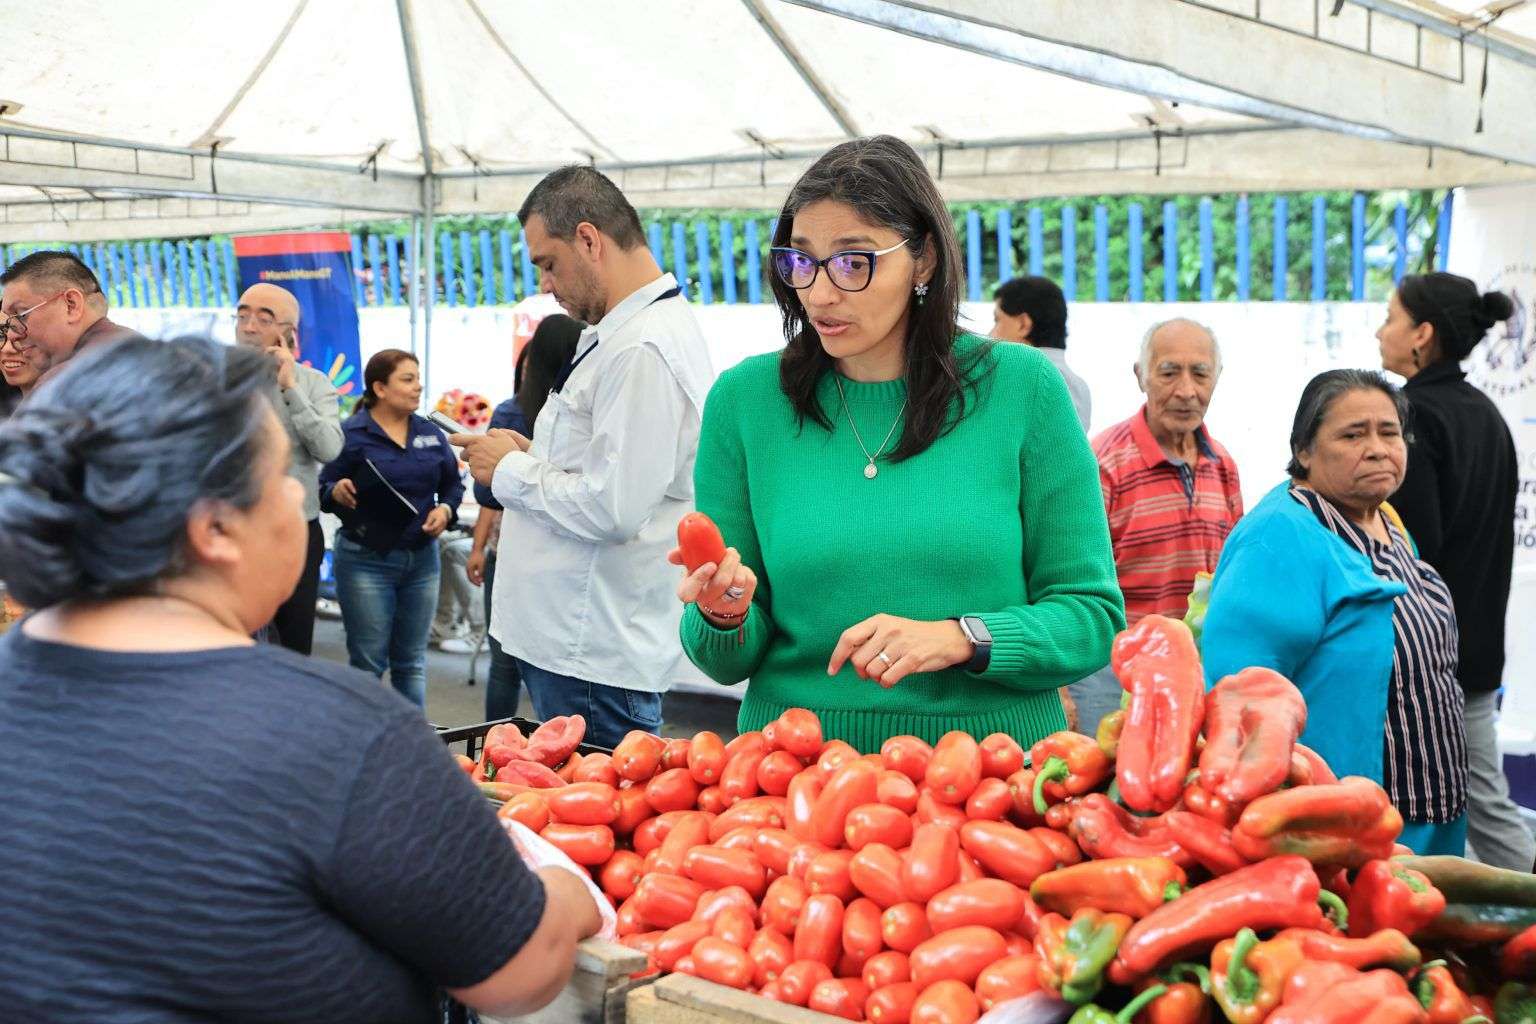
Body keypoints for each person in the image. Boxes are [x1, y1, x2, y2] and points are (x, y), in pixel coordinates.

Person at [0, 337, 601, 1022]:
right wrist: (567, 885)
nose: (295, 493)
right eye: (280, 472)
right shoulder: (338, 733)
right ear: (216, 528)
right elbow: (518, 974)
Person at [669, 135, 1124, 752]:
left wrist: (961, 637)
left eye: (854, 262)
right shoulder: (746, 403)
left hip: (989, 778)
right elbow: (725, 659)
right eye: (800, 261)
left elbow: (1090, 619)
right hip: (791, 776)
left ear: (925, 260)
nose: (820, 293)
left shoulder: (1024, 391)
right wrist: (724, 613)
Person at [453, 168, 715, 749]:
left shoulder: (642, 347)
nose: (546, 285)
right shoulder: (623, 334)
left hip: (591, 651)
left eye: (548, 262)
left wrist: (513, 472)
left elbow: (611, 508)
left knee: (594, 826)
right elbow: (605, 469)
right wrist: (527, 453)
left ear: (591, 241)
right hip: (575, 644)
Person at [1202, 369, 1467, 855]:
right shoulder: (1279, 536)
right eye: (1353, 434)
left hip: (1428, 805)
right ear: (1303, 450)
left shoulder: (1385, 520)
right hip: (1339, 827)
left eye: (1389, 432)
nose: (1377, 448)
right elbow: (1235, 697)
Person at [1377, 274, 1531, 870]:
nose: (1379, 329)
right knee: (1477, 801)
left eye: (1391, 316)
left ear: (1422, 333)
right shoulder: (1483, 411)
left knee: (1483, 806)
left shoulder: (1413, 415)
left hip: (1434, 655)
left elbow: (1413, 546)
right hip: (1476, 641)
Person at [1071, 319, 1242, 735]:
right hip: (1110, 676)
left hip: (1192, 675)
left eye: (1200, 373)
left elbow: (1230, 575)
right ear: (1141, 376)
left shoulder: (1222, 465)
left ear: (1217, 379)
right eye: (1169, 372)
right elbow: (1066, 580)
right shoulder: (1103, 465)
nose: (1186, 390)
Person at [320, 349, 463, 708]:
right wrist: (335, 490)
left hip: (422, 560)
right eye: (408, 379)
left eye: (418, 378)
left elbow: (452, 485)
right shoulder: (351, 433)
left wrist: (446, 509)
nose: (418, 387)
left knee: (411, 663)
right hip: (365, 560)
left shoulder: (431, 433)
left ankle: (412, 751)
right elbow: (322, 486)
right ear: (380, 388)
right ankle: (361, 750)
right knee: (368, 664)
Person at [467, 313, 584, 721]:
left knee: (504, 664)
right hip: (566, 553)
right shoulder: (583, 413)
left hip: (513, 552)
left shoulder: (511, 412)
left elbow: (487, 492)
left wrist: (479, 546)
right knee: (557, 669)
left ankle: (495, 746)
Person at [234, 282, 344, 655]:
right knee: (234, 640)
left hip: (295, 529)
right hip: (232, 528)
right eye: (243, 314)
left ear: (289, 333)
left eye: (263, 319)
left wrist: (289, 388)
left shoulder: (313, 384)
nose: (248, 326)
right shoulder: (215, 378)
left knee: (293, 642)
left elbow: (329, 448)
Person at [0, 250, 139, 389]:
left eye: (21, 315)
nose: (12, 336)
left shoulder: (66, 384)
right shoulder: (145, 350)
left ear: (71, 305)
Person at [991, 275, 1091, 430]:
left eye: (998, 320)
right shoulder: (1080, 387)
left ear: (1023, 325)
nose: (991, 334)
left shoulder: (1018, 378)